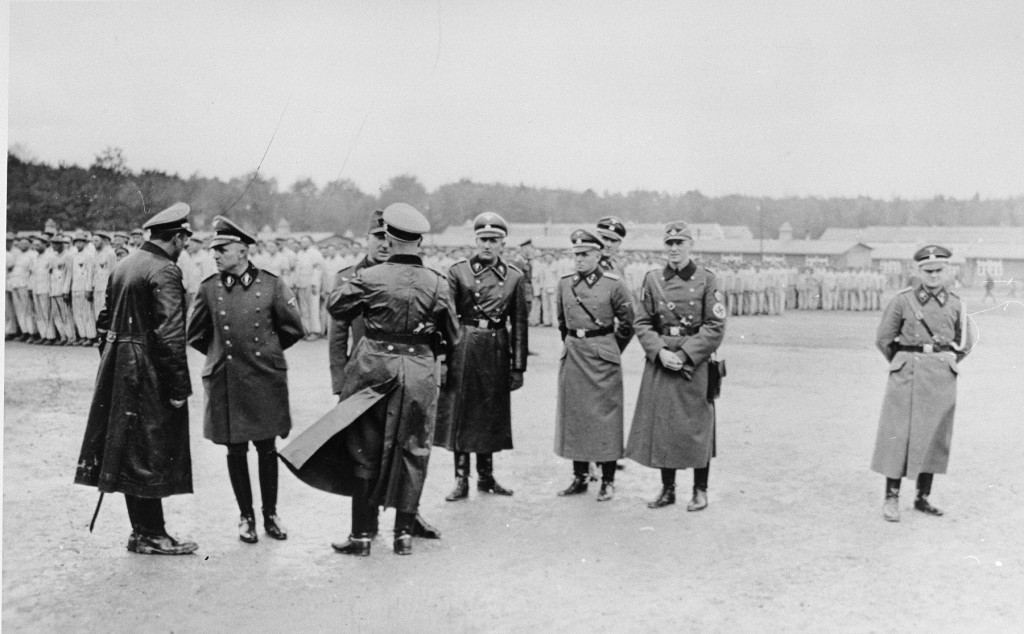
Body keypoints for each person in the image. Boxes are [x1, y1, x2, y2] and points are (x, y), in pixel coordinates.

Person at [281, 203, 458, 556]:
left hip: (373, 369)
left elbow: (336, 307)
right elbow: (452, 335)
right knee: (414, 448)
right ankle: (403, 536)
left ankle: (362, 536)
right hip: (418, 372)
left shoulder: (369, 277)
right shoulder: (438, 282)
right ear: (420, 242)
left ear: (389, 240)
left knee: (364, 449)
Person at [74, 202, 198, 555]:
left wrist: (115, 360)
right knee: (151, 449)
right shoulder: (165, 270)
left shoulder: (124, 265)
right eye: (184, 241)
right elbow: (170, 335)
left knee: (130, 447)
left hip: (119, 367)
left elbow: (103, 322)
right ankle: (153, 534)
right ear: (177, 238)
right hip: (148, 371)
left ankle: (141, 532)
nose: (183, 247)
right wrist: (178, 387)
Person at [187, 216, 304, 543]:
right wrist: (223, 354)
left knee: (267, 448)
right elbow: (195, 334)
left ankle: (270, 514)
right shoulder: (210, 288)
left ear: (242, 251)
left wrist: (264, 352)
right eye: (214, 250)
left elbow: (293, 328)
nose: (215, 255)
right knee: (235, 450)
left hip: (263, 378)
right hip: (227, 379)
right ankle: (246, 517)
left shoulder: (271, 285)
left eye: (222, 249)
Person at [871, 245, 976, 522]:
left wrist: (945, 361)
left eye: (939, 270)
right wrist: (903, 360)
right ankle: (891, 497)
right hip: (907, 373)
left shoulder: (956, 303)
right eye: (927, 271)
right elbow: (884, 338)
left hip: (940, 377)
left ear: (947, 271)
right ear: (918, 271)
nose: (933, 275)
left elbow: (966, 342)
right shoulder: (903, 301)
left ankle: (922, 497)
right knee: (897, 435)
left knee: (933, 435)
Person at [626, 222, 726, 511]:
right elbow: (642, 322)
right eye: (669, 244)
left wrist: (684, 355)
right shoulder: (653, 279)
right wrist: (658, 351)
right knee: (664, 424)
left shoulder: (707, 279)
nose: (674, 249)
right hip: (662, 360)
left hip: (693, 361)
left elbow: (715, 326)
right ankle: (668, 489)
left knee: (697, 427)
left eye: (679, 243)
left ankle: (700, 489)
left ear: (691, 245)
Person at [435, 212, 528, 502]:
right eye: (483, 239)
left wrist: (518, 366)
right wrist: (444, 358)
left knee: (489, 412)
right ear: (475, 241)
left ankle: (486, 477)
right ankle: (461, 478)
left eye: (494, 240)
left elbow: (520, 325)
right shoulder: (458, 272)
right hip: (463, 345)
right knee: (461, 414)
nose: (487, 245)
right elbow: (445, 317)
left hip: (496, 348)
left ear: (503, 244)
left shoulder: (514, 276)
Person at [554, 229, 634, 501]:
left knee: (605, 418)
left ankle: (608, 480)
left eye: (585, 254)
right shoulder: (565, 283)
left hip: (602, 355)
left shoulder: (614, 284)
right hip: (575, 353)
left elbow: (628, 322)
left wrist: (610, 348)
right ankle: (580, 476)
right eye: (576, 254)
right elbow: (562, 322)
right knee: (575, 415)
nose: (579, 259)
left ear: (598, 256)